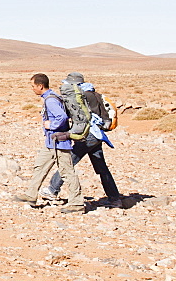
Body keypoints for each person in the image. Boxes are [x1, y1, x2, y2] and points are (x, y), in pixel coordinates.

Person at [46, 72, 123, 208]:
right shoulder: (94, 94)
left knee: (68, 162)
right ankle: (115, 198)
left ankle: (52, 189)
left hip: (88, 136)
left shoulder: (82, 96)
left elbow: (81, 117)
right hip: (97, 135)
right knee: (102, 168)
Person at [13, 73, 85, 213]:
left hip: (59, 143)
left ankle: (77, 203)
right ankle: (30, 195)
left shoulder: (51, 100)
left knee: (67, 172)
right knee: (40, 167)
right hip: (51, 143)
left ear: (40, 86)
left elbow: (62, 117)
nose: (32, 89)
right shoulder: (50, 97)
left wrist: (51, 125)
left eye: (33, 86)